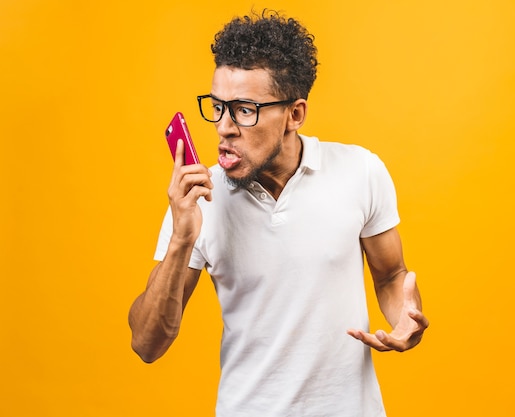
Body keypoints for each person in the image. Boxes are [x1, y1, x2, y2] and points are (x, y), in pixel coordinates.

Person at [128, 10, 429, 417]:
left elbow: (392, 275)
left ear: (295, 114)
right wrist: (183, 237)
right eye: (217, 107)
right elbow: (147, 344)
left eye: (244, 109)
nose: (224, 127)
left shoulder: (361, 171)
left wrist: (404, 321)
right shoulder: (198, 199)